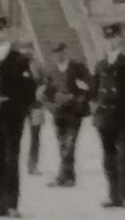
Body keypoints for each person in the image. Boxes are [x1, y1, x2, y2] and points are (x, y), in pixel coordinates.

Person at [0, 18, 36, 218]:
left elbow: (29, 89)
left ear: (8, 32)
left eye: (2, 30)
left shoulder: (19, 59)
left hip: (12, 115)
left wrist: (17, 107)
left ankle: (12, 204)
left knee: (12, 158)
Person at [42, 42, 92, 187]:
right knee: (62, 144)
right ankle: (67, 176)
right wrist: (53, 101)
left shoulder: (77, 68)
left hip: (74, 112)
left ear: (66, 51)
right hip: (58, 113)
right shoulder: (51, 71)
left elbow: (90, 86)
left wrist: (77, 98)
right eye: (55, 53)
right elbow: (46, 92)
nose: (58, 56)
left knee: (69, 143)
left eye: (60, 52)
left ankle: (65, 176)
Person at [90, 21, 125, 208]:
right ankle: (114, 196)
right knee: (109, 157)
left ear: (121, 38)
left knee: (123, 157)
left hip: (122, 114)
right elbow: (95, 90)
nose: (112, 41)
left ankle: (123, 194)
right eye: (109, 38)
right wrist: (95, 109)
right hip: (105, 117)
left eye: (115, 37)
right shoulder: (101, 64)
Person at [18, 43, 45, 176]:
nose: (27, 53)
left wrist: (42, 89)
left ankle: (33, 164)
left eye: (29, 50)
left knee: (35, 135)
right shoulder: (15, 65)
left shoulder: (38, 66)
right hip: (20, 104)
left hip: (35, 104)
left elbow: (44, 82)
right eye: (24, 50)